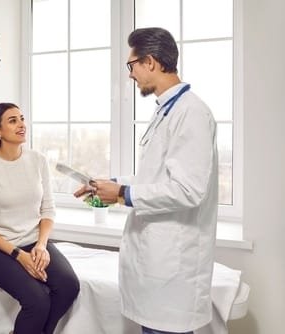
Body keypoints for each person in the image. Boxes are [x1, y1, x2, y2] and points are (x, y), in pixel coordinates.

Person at [75, 27, 218, 334]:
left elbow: (187, 190)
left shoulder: (191, 113)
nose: (130, 75)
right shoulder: (167, 111)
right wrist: (111, 185)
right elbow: (155, 178)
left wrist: (123, 193)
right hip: (157, 271)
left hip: (173, 271)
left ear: (150, 62)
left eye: (132, 65)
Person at [0, 103, 80, 334]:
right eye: (12, 120)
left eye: (21, 118)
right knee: (38, 301)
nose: (21, 124)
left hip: (34, 242)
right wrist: (19, 255)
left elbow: (48, 210)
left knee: (69, 286)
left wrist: (41, 245)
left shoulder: (38, 160)